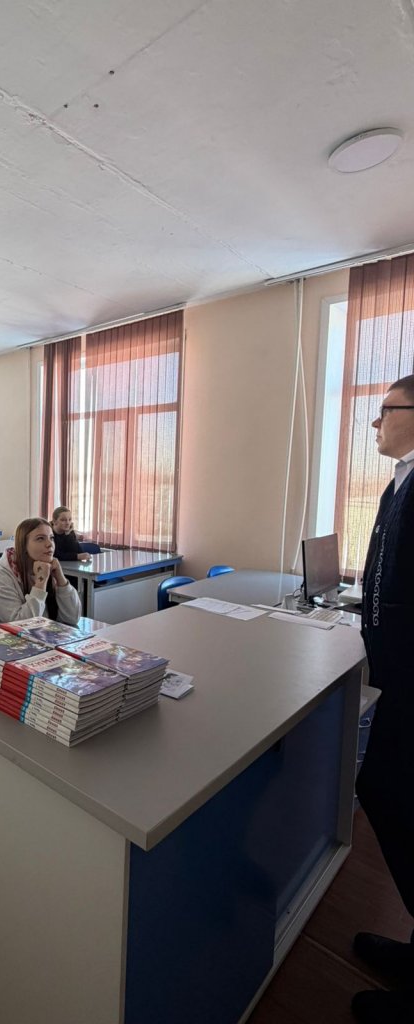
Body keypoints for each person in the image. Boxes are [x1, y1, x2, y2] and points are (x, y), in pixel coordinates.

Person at [351, 374, 414, 1024]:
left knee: (392, 795)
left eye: (385, 411)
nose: (376, 423)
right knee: (386, 792)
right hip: (394, 672)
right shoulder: (401, 481)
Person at [0, 517, 81, 628]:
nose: (49, 544)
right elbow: (22, 625)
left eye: (51, 538)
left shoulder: (47, 567)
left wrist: (61, 579)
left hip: (42, 634)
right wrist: (40, 583)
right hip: (2, 637)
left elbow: (72, 618)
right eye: (40, 539)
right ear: (23, 545)